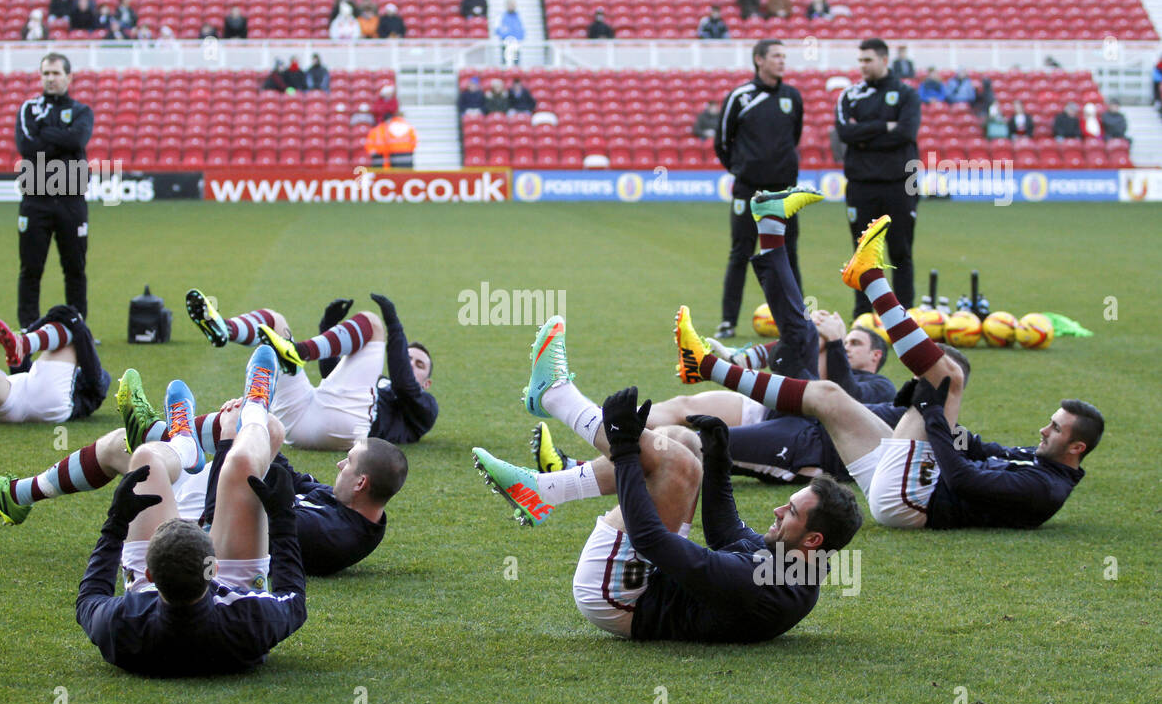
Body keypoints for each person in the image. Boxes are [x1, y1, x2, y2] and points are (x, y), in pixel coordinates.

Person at [673, 212, 1103, 531]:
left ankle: (871, 278)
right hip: (901, 486)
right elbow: (975, 450)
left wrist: (933, 413)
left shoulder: (1045, 489)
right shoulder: (1039, 463)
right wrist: (942, 421)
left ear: (1077, 447)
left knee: (949, 375)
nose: (1044, 430)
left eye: (1056, 429)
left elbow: (962, 476)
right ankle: (707, 365)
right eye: (1051, 422)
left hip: (914, 501)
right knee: (827, 395)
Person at [470, 322, 862, 644]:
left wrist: (624, 450)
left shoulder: (763, 584)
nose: (778, 510)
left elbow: (651, 541)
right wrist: (719, 460)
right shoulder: (797, 562)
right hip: (648, 579)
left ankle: (556, 397)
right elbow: (728, 532)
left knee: (674, 463)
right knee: (684, 442)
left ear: (813, 539)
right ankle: (542, 491)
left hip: (620, 599)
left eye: (791, 511)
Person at [530, 191, 901, 490]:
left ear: (876, 356)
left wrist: (834, 345)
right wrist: (745, 358)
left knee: (684, 444)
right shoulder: (832, 364)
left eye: (856, 344)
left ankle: (568, 466)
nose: (847, 344)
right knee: (683, 406)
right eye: (847, 341)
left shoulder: (880, 388)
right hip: (773, 409)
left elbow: (838, 396)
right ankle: (771, 229)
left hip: (802, 438)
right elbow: (786, 363)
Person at [0, 369, 404, 579]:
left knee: (132, 450)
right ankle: (18, 496)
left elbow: (250, 502)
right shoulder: (347, 506)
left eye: (348, 461)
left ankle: (169, 432)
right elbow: (290, 477)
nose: (339, 464)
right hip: (228, 492)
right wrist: (253, 430)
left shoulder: (336, 534)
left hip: (215, 518)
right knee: (123, 444)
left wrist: (242, 439)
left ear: (363, 482)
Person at [74, 348, 309, 676]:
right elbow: (294, 601)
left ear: (150, 574)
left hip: (165, 597)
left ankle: (184, 444)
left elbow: (88, 600)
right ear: (213, 566)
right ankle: (255, 406)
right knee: (256, 447)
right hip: (234, 591)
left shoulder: (123, 622)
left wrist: (117, 523)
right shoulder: (248, 619)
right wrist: (282, 517)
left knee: (144, 460)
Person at [184, 292, 437, 449]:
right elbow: (331, 373)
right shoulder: (375, 382)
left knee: (372, 321)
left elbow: (404, 384)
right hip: (299, 420)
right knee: (276, 321)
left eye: (419, 364)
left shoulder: (426, 406)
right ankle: (224, 329)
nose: (410, 364)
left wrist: (393, 325)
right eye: (408, 358)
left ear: (427, 383)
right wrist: (328, 325)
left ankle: (297, 351)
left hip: (349, 431)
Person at [713, 39, 804, 341]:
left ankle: (796, 320)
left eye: (784, 56)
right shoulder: (740, 97)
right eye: (776, 56)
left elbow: (795, 135)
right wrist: (744, 170)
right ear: (759, 60)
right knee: (741, 253)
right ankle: (728, 321)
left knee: (788, 255)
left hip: (784, 194)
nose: (782, 61)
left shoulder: (792, 96)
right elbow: (722, 142)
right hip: (749, 192)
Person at [835, 38, 921, 319]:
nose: (863, 66)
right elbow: (845, 133)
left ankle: (904, 316)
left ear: (884, 60)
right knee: (863, 254)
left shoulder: (906, 94)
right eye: (860, 60)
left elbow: (906, 133)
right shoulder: (849, 96)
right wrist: (885, 126)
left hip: (900, 183)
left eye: (868, 60)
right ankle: (862, 316)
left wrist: (865, 137)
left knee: (900, 252)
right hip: (861, 185)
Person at [15, 52, 95, 328]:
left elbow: (78, 138)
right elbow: (27, 148)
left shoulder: (82, 111)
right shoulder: (28, 110)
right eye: (45, 73)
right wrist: (63, 140)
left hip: (71, 200)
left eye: (56, 73)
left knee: (75, 269)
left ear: (69, 77)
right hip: (36, 199)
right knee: (31, 269)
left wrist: (46, 133)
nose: (50, 79)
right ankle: (28, 328)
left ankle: (78, 328)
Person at [495, 0, 526, 65]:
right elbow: (497, 29)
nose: (512, 6)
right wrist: (505, 37)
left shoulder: (519, 16)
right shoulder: (501, 16)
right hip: (505, 43)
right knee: (505, 62)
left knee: (516, 62)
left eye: (513, 4)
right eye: (510, 4)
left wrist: (519, 39)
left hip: (516, 43)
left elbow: (522, 29)